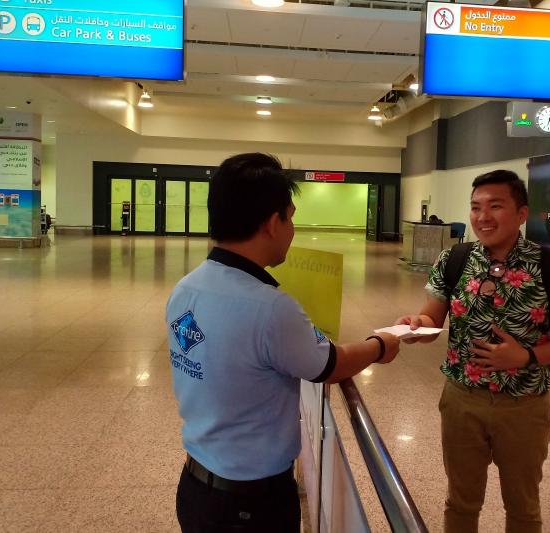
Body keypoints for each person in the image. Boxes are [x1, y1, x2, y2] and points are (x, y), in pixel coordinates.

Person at [166, 152, 401, 533]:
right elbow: (329, 366)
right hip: (252, 504)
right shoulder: (269, 308)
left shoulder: (185, 288)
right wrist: (380, 344)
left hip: (195, 487)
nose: (292, 228)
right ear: (272, 223)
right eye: (290, 217)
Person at [396, 170, 550, 533]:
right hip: (461, 402)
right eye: (475, 207)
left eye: (495, 206)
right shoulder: (453, 260)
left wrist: (527, 357)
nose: (483, 217)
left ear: (521, 214)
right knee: (461, 502)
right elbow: (432, 318)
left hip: (525, 405)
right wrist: (417, 326)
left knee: (522, 506)